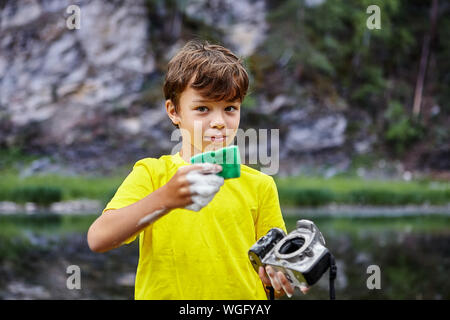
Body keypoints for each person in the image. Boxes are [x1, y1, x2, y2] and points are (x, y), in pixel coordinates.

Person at [87, 39, 307, 299]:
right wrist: (166, 199)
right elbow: (99, 238)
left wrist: (280, 279)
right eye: (202, 108)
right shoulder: (152, 174)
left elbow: (271, 280)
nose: (218, 122)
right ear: (174, 111)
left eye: (230, 109)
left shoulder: (260, 185)